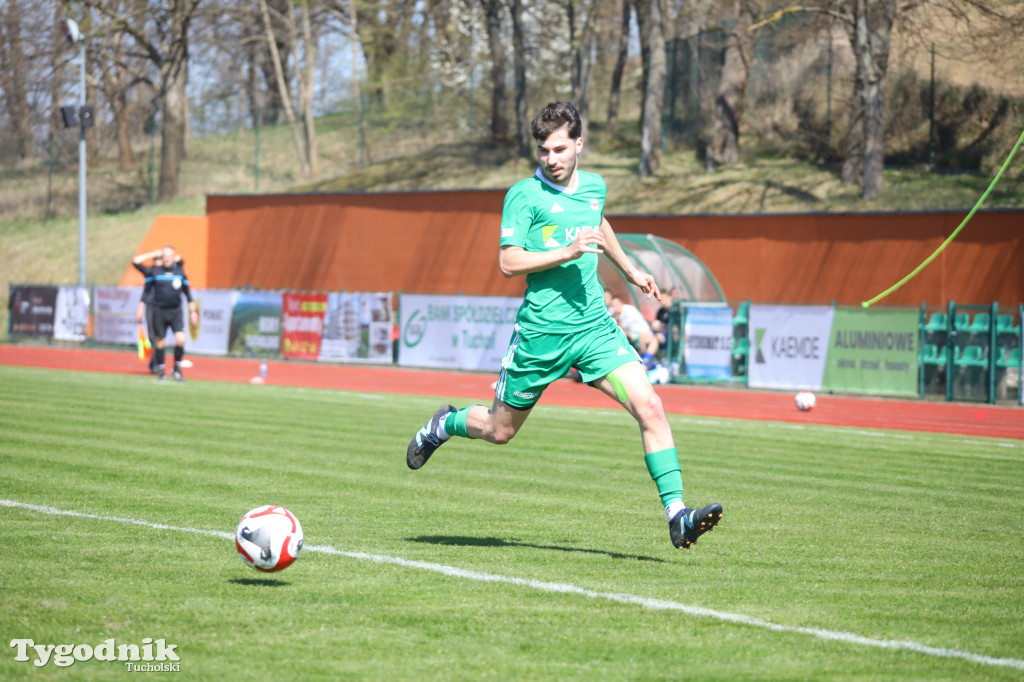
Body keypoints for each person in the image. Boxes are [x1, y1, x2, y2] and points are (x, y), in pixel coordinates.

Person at [406, 101, 722, 550]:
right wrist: (567, 253)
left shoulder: (595, 186)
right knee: (499, 431)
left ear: (579, 144)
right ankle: (444, 424)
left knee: (651, 407)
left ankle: (678, 516)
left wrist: (628, 268)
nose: (550, 159)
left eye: (558, 149)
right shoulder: (523, 195)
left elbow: (596, 221)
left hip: (594, 327)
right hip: (541, 335)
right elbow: (508, 262)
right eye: (542, 151)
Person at [131, 245, 198, 381]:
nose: (167, 258)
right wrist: (140, 308)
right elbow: (146, 291)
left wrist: (193, 312)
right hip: (159, 311)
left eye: (170, 256)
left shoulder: (180, 272)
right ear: (161, 257)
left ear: (174, 258)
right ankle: (161, 371)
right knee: (160, 342)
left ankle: (177, 370)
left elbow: (188, 293)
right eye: (165, 256)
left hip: (175, 311)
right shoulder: (154, 271)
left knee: (180, 339)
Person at [608, 293, 661, 369]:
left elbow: (634, 329)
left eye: (616, 305)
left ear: (621, 304)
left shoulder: (628, 310)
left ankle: (644, 363)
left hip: (640, 333)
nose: (614, 307)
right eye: (612, 305)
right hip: (630, 336)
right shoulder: (612, 313)